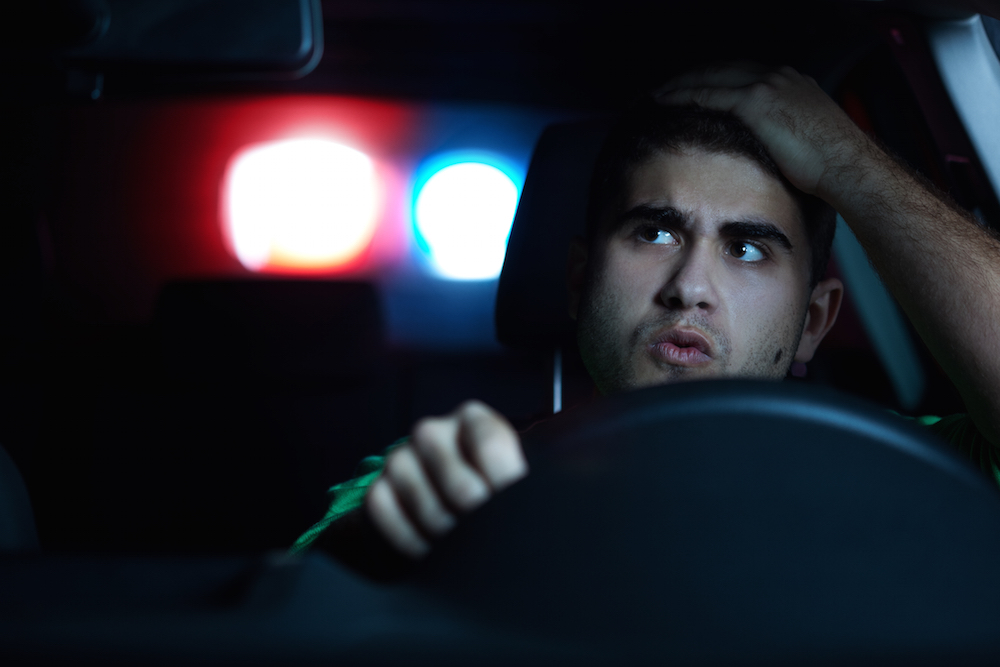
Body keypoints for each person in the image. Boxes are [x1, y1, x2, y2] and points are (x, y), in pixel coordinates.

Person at [290, 63, 1000, 573]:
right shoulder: (464, 475)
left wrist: (847, 161)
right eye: (655, 233)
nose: (690, 286)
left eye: (748, 248)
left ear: (815, 319)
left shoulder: (913, 476)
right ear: (578, 278)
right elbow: (306, 598)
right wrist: (397, 542)